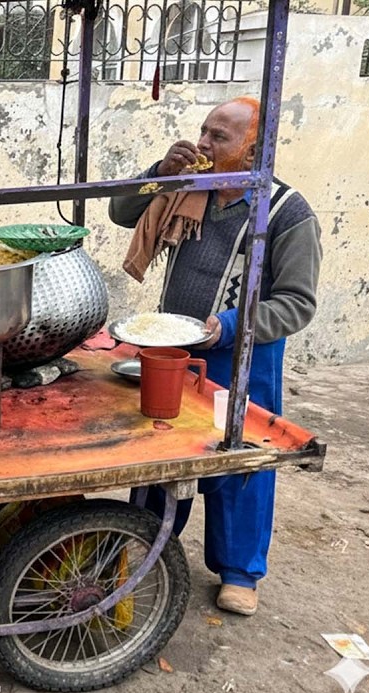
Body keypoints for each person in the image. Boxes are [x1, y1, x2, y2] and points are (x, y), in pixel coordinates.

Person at [109, 97, 322, 617]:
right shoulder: (187, 189)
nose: (203, 143)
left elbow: (296, 303)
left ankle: (240, 572)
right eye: (203, 131)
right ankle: (149, 543)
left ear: (254, 148)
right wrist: (160, 172)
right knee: (162, 454)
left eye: (218, 137)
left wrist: (225, 327)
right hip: (172, 352)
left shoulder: (286, 211)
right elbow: (121, 211)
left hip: (242, 361)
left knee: (239, 461)